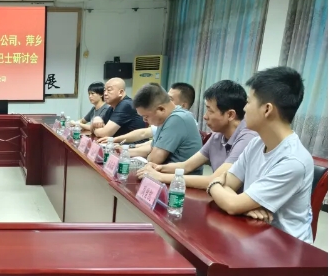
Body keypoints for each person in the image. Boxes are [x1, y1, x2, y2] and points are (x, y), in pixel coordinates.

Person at [207, 66, 314, 243]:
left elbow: (232, 204)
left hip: (285, 248)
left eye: (248, 102)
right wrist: (241, 203)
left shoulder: (293, 161)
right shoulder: (256, 143)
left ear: (267, 109)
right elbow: (229, 185)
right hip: (255, 234)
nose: (244, 108)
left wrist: (215, 185)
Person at [138, 80, 257, 189]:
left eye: (210, 111)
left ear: (230, 115)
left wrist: (160, 177)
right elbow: (186, 166)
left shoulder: (247, 138)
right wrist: (158, 168)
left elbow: (215, 180)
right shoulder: (218, 135)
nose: (205, 116)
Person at [130, 83, 203, 173]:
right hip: (165, 174)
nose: (144, 120)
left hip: (180, 179)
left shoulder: (177, 119)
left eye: (146, 116)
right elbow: (152, 148)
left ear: (161, 109)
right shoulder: (166, 118)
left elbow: (154, 159)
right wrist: (125, 151)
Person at [98, 81, 195, 145]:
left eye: (170, 99)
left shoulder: (179, 120)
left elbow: (156, 154)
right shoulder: (169, 118)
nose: (165, 101)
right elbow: (143, 133)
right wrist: (115, 141)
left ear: (183, 106)